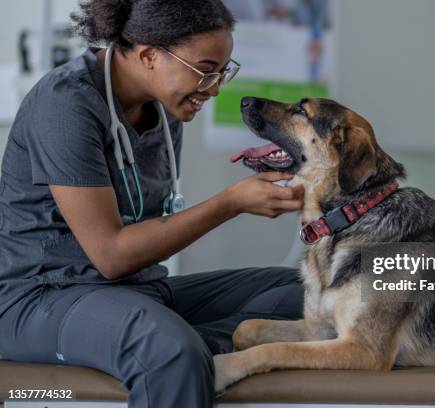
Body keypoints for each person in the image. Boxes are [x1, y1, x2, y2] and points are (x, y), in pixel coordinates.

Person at [0, 1, 305, 407]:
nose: (215, 88)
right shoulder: (65, 105)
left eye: (222, 71)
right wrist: (230, 203)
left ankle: (185, 342)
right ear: (148, 56)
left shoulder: (164, 112)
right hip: (40, 299)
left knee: (307, 290)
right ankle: (172, 346)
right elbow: (111, 255)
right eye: (206, 69)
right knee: (168, 350)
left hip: (137, 293)